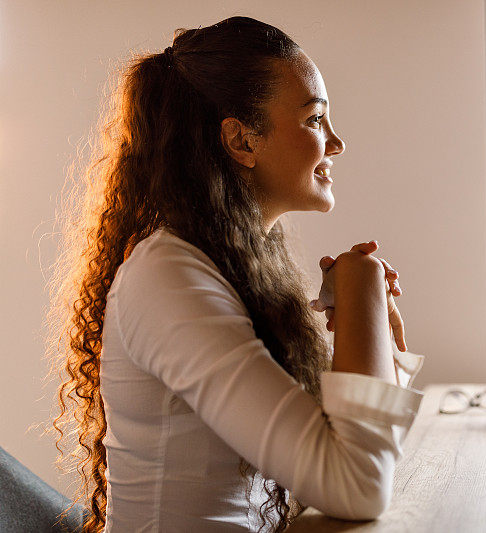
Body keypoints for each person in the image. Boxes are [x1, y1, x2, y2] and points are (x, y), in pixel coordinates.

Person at [47, 16, 425, 532]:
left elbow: (362, 461)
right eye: (315, 120)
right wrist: (361, 285)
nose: (336, 143)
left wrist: (379, 337)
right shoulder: (170, 278)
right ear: (242, 140)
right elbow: (360, 486)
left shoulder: (232, 262)